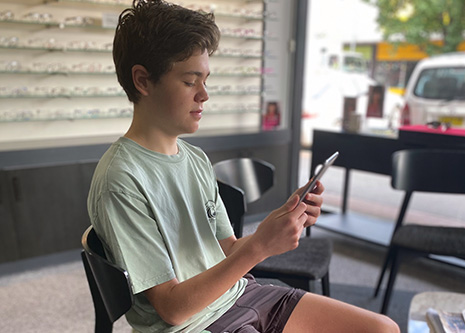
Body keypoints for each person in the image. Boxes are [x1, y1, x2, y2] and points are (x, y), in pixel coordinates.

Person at [87, 1, 400, 332]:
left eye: (205, 80)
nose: (204, 95)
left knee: (383, 328)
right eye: (190, 81)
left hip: (240, 295)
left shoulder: (194, 159)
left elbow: (227, 250)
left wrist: (279, 222)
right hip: (192, 324)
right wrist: (259, 246)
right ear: (143, 81)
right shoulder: (120, 180)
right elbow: (173, 309)